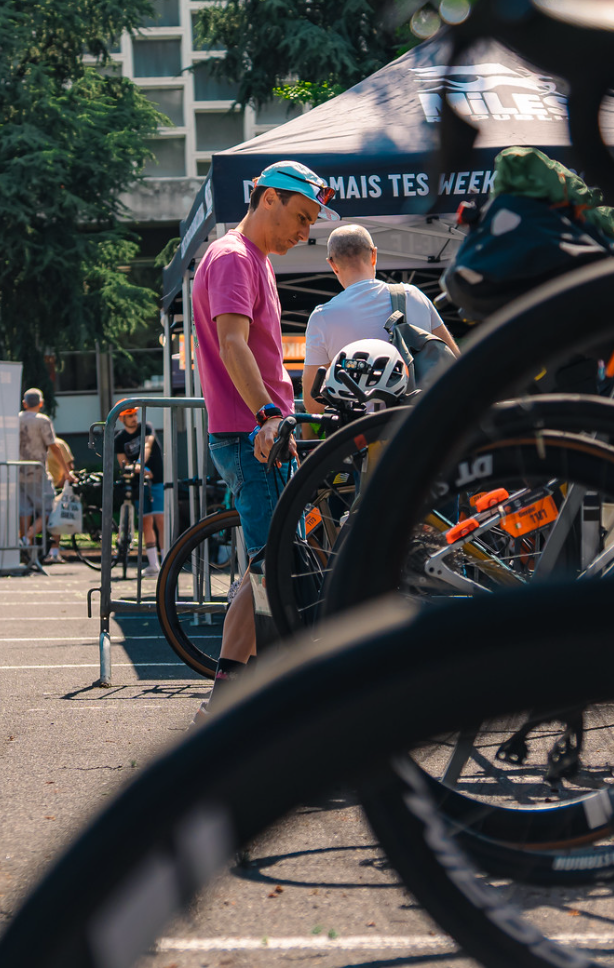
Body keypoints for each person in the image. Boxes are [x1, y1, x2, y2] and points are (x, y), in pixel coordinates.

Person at [191, 159, 337, 714]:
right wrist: (266, 417)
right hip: (251, 433)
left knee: (264, 568)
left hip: (255, 432)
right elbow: (233, 345)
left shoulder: (251, 259)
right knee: (278, 570)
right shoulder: (233, 258)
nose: (305, 234)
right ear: (268, 198)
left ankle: (225, 706)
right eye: (301, 218)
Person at [302, 224, 460, 426]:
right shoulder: (413, 296)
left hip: (362, 436)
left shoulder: (322, 317)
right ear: (374, 255)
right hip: (421, 426)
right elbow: (452, 359)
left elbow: (312, 403)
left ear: (332, 264)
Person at [112, 409, 165, 577]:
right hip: (138, 484)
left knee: (160, 520)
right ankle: (153, 564)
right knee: (145, 522)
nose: (134, 418)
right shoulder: (119, 439)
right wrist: (134, 470)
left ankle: (166, 561)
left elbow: (148, 445)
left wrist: (141, 464)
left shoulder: (146, 427)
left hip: (156, 479)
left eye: (135, 415)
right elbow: (122, 462)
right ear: (122, 419)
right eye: (129, 416)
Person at [17, 388, 56, 546]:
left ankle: (25, 546)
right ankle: (27, 538)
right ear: (41, 403)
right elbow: (53, 445)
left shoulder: (16, 419)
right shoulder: (42, 420)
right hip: (37, 472)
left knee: (24, 510)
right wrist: (67, 472)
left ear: (24, 403)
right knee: (49, 509)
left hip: (18, 471)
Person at [44, 436, 75, 564]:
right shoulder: (39, 444)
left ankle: (54, 552)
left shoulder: (59, 444)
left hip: (58, 485)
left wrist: (64, 481)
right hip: (43, 486)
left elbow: (70, 465)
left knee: (56, 519)